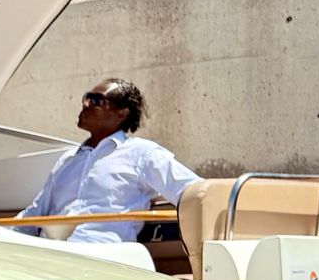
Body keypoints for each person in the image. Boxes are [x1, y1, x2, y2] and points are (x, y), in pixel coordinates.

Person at [20, 79, 200, 243]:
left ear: (121, 113)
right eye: (86, 98)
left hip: (106, 258)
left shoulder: (142, 154)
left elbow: (197, 194)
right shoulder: (68, 160)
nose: (85, 104)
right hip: (52, 255)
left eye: (96, 100)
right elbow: (34, 215)